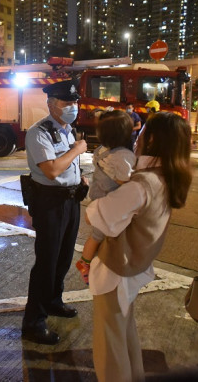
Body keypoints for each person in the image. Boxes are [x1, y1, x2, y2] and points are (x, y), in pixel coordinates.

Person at [85, 112, 193, 382]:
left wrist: (96, 195)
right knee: (125, 333)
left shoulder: (142, 185)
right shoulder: (165, 176)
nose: (137, 135)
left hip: (116, 270)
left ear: (153, 138)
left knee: (110, 346)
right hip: (135, 266)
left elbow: (101, 215)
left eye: (142, 131)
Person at [21, 79, 89, 345]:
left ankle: (53, 301)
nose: (73, 106)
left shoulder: (67, 129)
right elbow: (50, 170)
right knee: (46, 264)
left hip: (70, 201)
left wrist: (79, 178)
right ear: (51, 104)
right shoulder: (39, 132)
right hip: (50, 203)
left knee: (63, 257)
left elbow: (67, 167)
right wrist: (76, 150)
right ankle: (33, 321)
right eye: (66, 102)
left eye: (75, 102)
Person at [76, 110, 136, 285]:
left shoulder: (102, 150)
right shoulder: (123, 156)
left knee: (96, 235)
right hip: (108, 203)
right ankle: (85, 263)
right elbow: (124, 180)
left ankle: (87, 261)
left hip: (98, 198)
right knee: (98, 235)